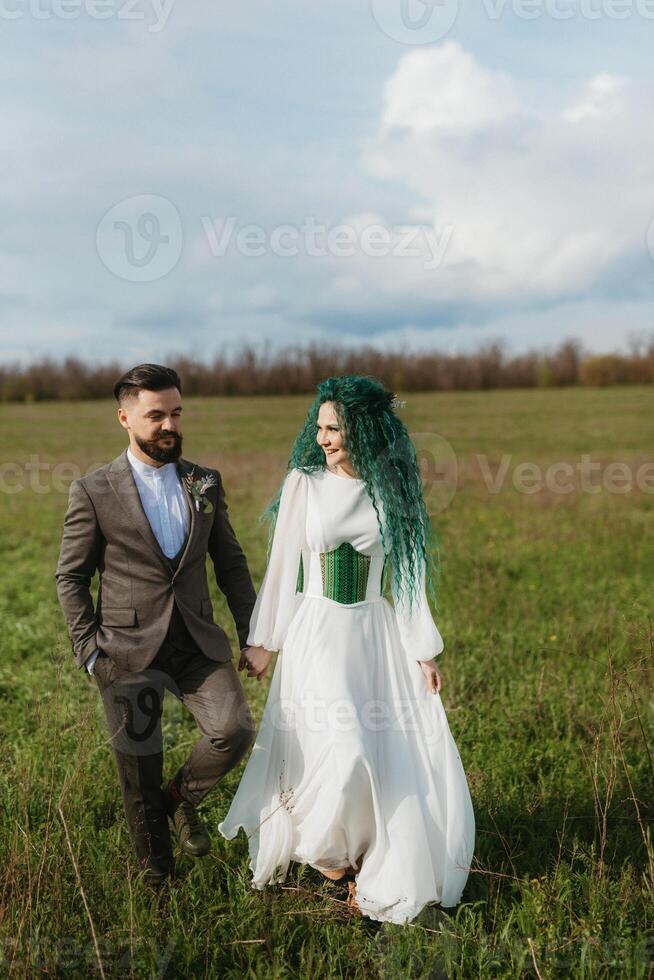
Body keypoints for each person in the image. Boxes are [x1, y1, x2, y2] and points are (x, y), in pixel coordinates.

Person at [221, 375, 476, 924]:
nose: (324, 438)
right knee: (342, 746)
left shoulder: (392, 490)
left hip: (371, 634)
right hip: (316, 632)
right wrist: (265, 640)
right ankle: (330, 862)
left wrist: (422, 650)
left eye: (334, 428)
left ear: (362, 429)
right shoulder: (303, 484)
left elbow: (407, 580)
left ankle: (359, 860)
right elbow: (284, 567)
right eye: (319, 427)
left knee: (372, 754)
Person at [55, 363, 256, 888]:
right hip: (125, 650)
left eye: (176, 413)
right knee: (138, 772)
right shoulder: (94, 490)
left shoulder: (202, 481)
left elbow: (230, 563)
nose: (170, 425)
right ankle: (157, 882)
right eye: (155, 416)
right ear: (124, 418)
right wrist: (90, 652)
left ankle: (180, 798)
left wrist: (253, 632)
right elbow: (71, 577)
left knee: (233, 730)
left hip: (196, 642)